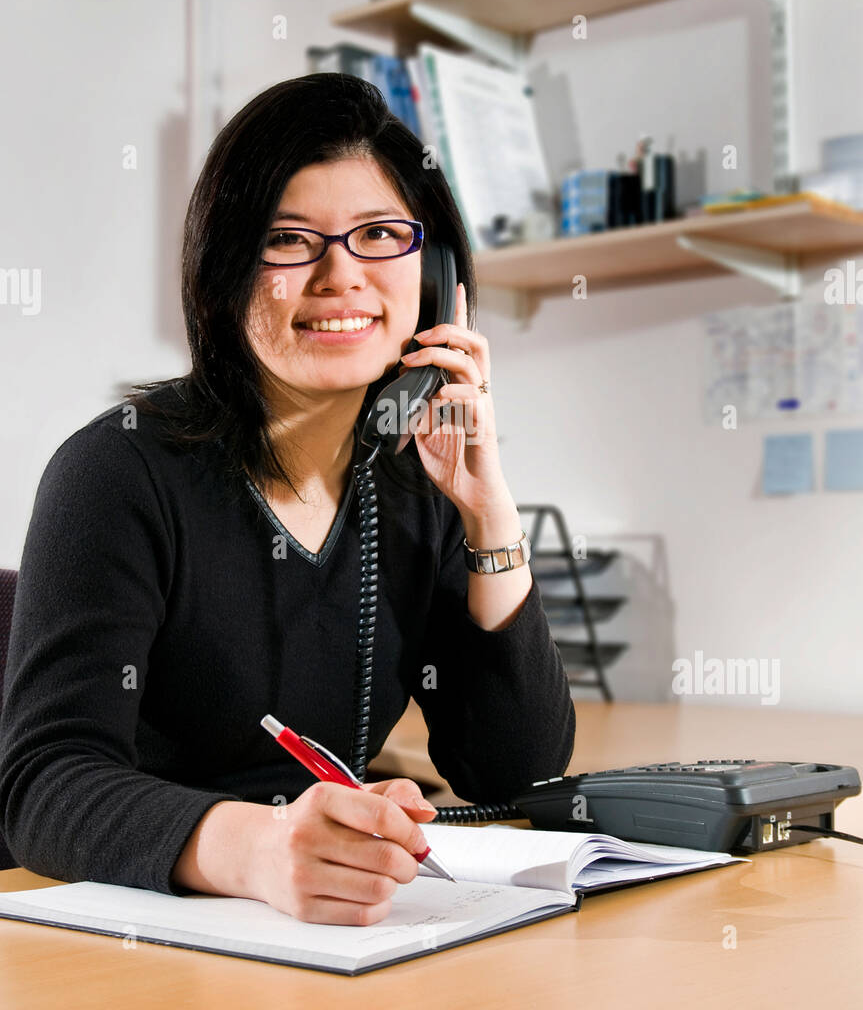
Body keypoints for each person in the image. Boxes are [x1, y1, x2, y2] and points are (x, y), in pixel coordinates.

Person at [0, 73, 575, 926]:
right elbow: (45, 784)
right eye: (289, 241)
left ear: (437, 274)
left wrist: (489, 518)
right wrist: (260, 849)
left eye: (380, 234)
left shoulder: (417, 485)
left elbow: (515, 775)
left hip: (328, 934)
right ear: (225, 275)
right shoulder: (116, 472)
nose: (340, 275)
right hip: (135, 932)